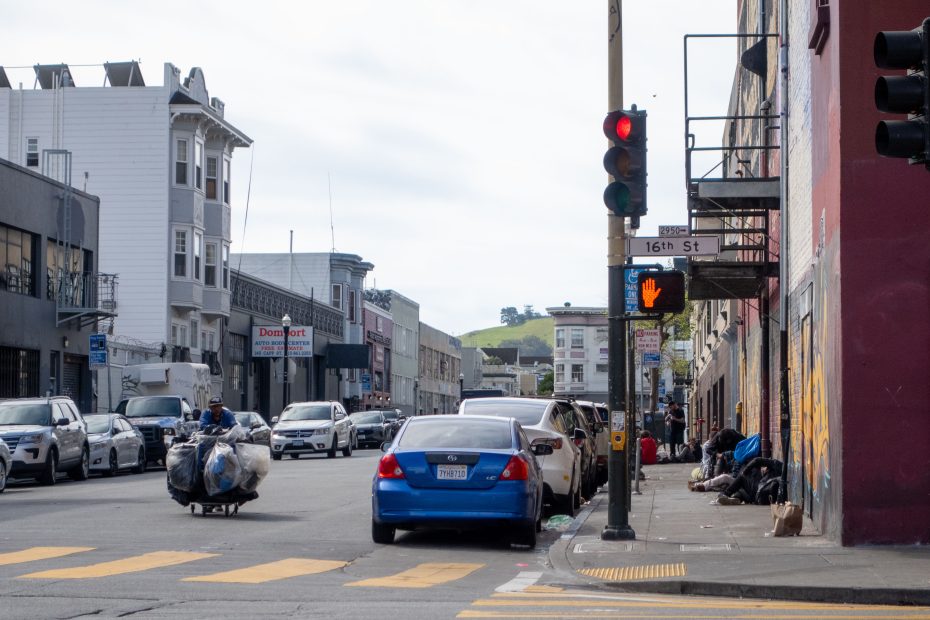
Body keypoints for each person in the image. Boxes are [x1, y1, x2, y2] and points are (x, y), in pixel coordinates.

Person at [716, 457, 783, 505]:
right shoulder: (781, 470)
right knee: (743, 487)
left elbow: (756, 460)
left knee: (742, 478)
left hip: (760, 492)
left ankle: (726, 494)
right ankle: (737, 498)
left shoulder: (775, 464)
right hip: (759, 498)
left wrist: (745, 471)